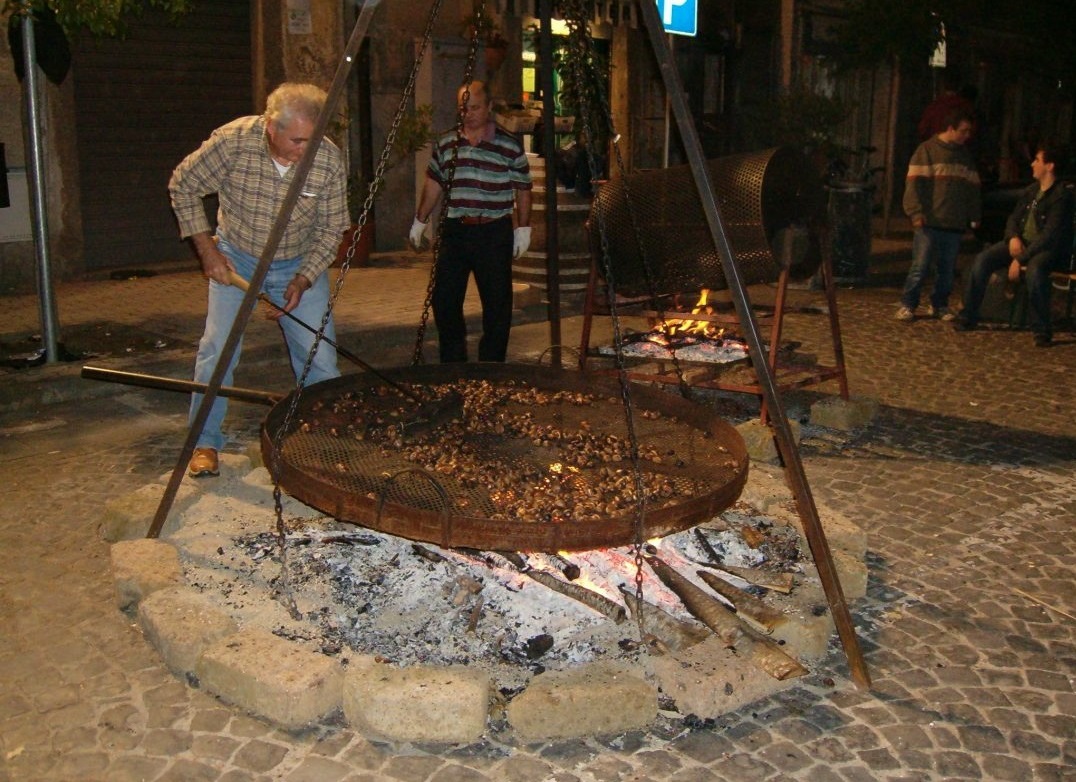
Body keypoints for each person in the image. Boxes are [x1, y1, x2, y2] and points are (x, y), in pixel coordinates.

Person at [169, 82, 349, 477]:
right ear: (271, 127)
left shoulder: (328, 159)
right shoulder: (233, 141)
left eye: (314, 139)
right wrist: (208, 252)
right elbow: (183, 185)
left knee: (319, 356)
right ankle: (204, 442)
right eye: (298, 141)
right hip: (237, 258)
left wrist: (304, 279)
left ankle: (324, 440)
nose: (307, 150)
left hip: (298, 260)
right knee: (217, 349)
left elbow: (331, 229)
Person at [409, 81, 533, 363]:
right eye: (463, 108)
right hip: (456, 230)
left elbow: (523, 187)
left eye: (475, 107)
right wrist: (420, 220)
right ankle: (454, 364)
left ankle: (491, 366)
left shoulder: (508, 145)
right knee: (445, 300)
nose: (468, 114)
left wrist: (523, 227)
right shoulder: (447, 143)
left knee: (497, 304)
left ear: (489, 107)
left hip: (493, 231)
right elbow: (434, 182)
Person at [955, 141, 1074, 347]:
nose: (1032, 164)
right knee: (983, 260)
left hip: (1045, 250)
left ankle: (1041, 329)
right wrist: (1012, 238)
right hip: (1022, 243)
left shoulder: (1060, 196)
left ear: (1050, 166)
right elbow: (1013, 218)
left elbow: (1049, 235)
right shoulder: (1031, 191)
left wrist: (1020, 259)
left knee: (1035, 270)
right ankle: (968, 315)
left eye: (1037, 160)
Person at [897, 106, 981, 322]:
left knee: (947, 269)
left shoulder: (964, 156)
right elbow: (913, 185)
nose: (967, 136)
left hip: (953, 222)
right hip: (929, 221)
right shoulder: (927, 151)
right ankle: (908, 304)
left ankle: (939, 304)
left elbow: (972, 188)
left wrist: (974, 215)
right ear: (950, 128)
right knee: (920, 266)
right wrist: (916, 212)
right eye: (963, 131)